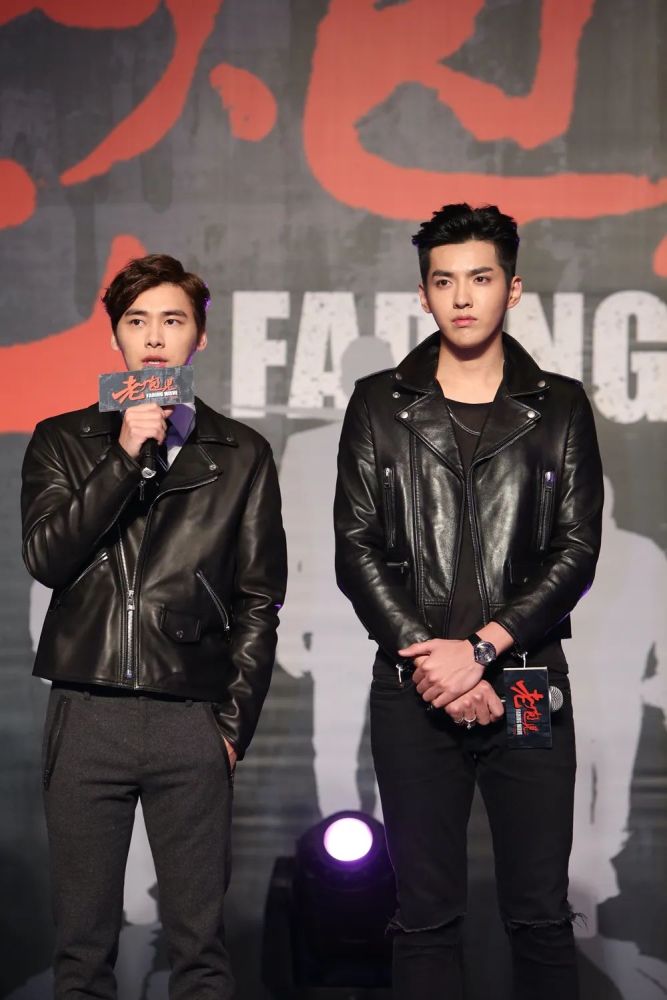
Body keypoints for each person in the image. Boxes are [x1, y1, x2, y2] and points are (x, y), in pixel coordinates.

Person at [334, 203, 603, 1000]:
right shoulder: (378, 403)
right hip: (411, 687)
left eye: (479, 279)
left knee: (540, 915)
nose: (461, 297)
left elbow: (576, 552)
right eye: (443, 281)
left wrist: (482, 649)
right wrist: (435, 664)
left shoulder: (558, 405)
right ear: (422, 294)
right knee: (423, 917)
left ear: (510, 289)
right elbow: (355, 549)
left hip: (526, 681)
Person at [21, 253, 287, 999]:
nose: (155, 338)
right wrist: (121, 457)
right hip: (87, 709)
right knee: (82, 952)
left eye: (173, 320)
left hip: (191, 714)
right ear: (115, 338)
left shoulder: (240, 453)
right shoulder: (63, 440)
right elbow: (47, 557)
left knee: (199, 951)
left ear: (199, 335)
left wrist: (229, 726)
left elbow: (258, 599)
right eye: (137, 322)